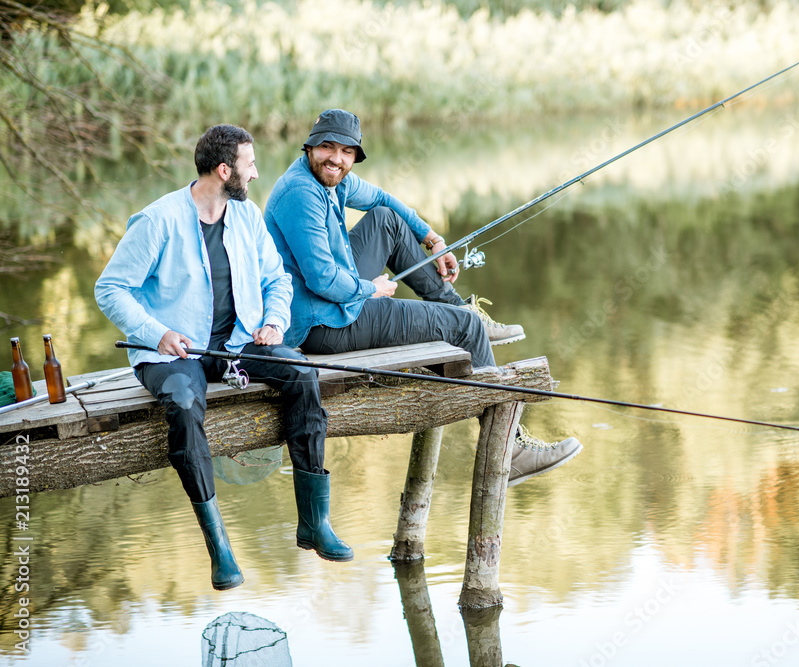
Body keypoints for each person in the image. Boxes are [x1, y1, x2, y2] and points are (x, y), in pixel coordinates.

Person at [95, 124, 352, 592]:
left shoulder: (247, 216)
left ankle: (314, 523)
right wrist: (157, 333)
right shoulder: (158, 221)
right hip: (174, 351)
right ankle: (220, 547)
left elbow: (277, 279)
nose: (255, 174)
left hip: (239, 341)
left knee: (302, 374)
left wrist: (274, 321)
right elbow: (110, 289)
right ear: (223, 170)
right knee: (184, 405)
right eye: (249, 165)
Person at [264, 109, 582, 486]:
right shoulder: (301, 193)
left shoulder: (332, 181)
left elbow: (382, 198)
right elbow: (322, 280)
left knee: (388, 220)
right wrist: (373, 289)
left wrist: (431, 238)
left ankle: (462, 313)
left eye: (347, 151)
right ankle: (509, 452)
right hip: (322, 322)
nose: (337, 158)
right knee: (463, 329)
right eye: (327, 147)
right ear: (310, 147)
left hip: (337, 300)